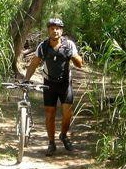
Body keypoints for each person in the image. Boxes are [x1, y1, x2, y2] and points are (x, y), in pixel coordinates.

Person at [23, 18, 83, 156]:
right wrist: (26, 79)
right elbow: (34, 63)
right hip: (49, 83)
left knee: (67, 112)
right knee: (50, 114)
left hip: (65, 83)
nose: (55, 30)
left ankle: (63, 135)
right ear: (48, 30)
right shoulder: (43, 46)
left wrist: (72, 56)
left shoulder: (69, 45)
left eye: (58, 28)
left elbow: (80, 64)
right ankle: (51, 143)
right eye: (52, 28)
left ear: (61, 30)